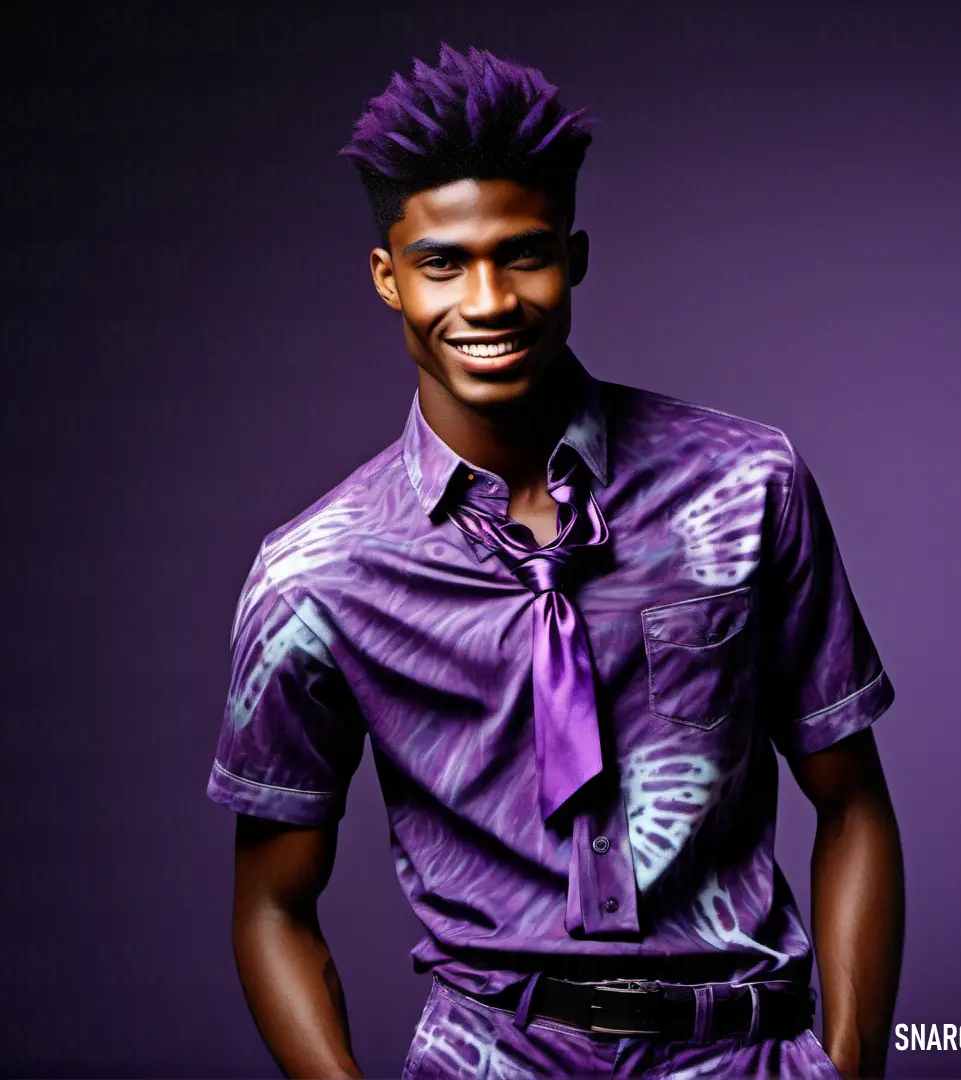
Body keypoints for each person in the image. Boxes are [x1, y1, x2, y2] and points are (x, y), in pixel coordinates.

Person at [206, 44, 904, 1080]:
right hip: (489, 1058)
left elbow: (851, 802)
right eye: (443, 262)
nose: (487, 301)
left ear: (574, 257)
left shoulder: (748, 485)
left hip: (748, 1055)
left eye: (521, 254)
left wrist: (847, 1067)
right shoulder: (318, 575)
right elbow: (271, 903)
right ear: (387, 277)